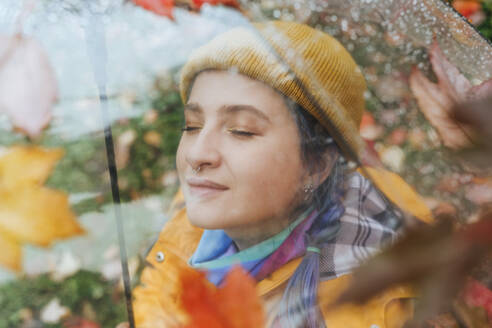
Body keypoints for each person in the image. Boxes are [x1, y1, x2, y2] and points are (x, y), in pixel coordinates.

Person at [133, 20, 417, 328]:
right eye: (191, 126)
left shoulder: (376, 311)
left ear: (317, 164)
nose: (196, 154)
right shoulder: (195, 222)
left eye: (241, 131)